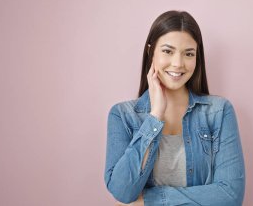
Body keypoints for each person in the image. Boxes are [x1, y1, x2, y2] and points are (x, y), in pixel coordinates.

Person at [104, 10, 245, 206]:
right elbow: (122, 192)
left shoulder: (219, 112)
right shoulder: (123, 116)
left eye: (188, 54)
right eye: (168, 51)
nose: (178, 63)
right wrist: (155, 117)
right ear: (150, 51)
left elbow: (230, 196)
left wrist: (148, 201)